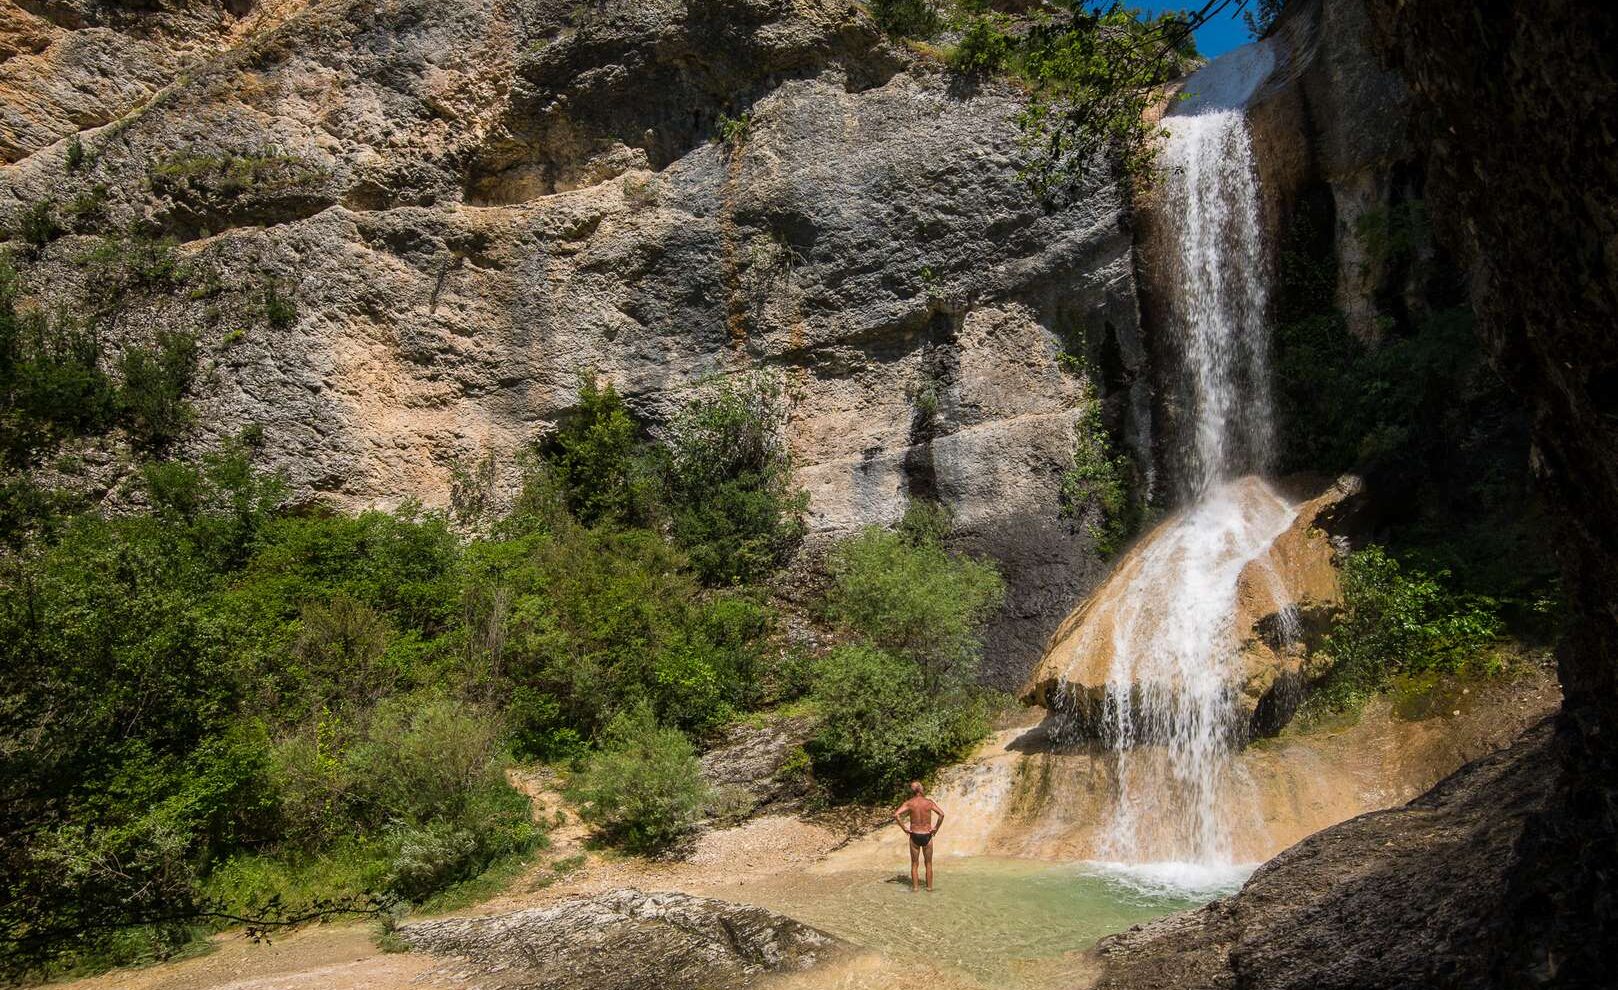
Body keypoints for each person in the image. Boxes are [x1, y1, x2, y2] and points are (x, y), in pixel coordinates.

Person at [894, 780, 945, 892]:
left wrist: (904, 828)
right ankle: (929, 889)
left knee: (914, 864)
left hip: (915, 836)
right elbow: (941, 814)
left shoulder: (909, 803)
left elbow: (896, 815)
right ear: (921, 789)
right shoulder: (929, 802)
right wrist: (936, 828)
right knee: (928, 864)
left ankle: (916, 889)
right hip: (927, 835)